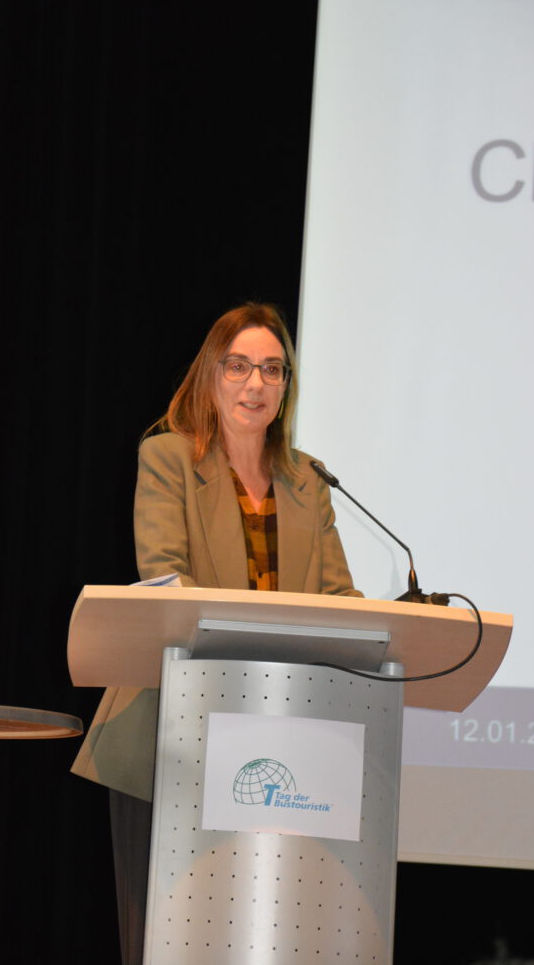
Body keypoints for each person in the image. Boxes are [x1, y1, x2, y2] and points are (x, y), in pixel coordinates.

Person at [72, 302, 362, 965]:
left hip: (283, 745)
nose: (255, 383)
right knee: (162, 942)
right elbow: (164, 577)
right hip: (171, 735)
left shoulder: (308, 481)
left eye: (272, 370)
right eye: (239, 366)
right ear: (211, 375)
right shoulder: (169, 457)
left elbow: (340, 600)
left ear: (286, 387)